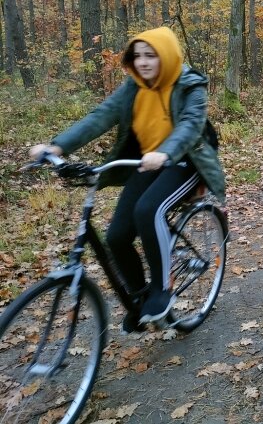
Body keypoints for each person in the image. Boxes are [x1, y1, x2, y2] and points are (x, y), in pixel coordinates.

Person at [29, 27, 226, 333]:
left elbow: (190, 124)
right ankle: (141, 298)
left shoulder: (190, 84)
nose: (144, 62)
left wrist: (166, 152)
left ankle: (162, 290)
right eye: (138, 56)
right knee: (117, 237)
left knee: (148, 210)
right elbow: (101, 115)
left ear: (167, 56)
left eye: (151, 55)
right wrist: (57, 146)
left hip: (186, 161)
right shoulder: (133, 86)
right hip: (146, 162)